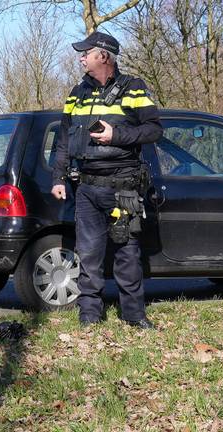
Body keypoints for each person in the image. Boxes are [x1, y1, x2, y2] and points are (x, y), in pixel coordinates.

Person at [51, 31, 162, 329]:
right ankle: (89, 315)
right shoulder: (77, 92)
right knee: (88, 254)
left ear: (103, 55)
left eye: (85, 52)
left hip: (123, 184)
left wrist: (118, 135)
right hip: (87, 186)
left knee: (127, 253)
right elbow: (63, 138)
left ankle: (134, 315)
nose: (80, 57)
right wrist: (59, 177)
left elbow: (154, 130)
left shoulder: (134, 88)